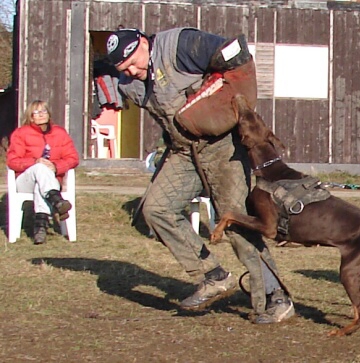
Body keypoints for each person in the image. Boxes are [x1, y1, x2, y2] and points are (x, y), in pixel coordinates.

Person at [106, 28, 295, 323]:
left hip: (222, 147)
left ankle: (276, 297)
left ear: (144, 43)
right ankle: (213, 275)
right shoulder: (130, 83)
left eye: (133, 61)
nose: (132, 70)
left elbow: (236, 54)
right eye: (123, 69)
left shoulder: (179, 45)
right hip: (183, 152)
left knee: (235, 221)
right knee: (156, 209)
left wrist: (232, 106)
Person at [7, 100, 79, 244]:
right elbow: (12, 161)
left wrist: (55, 166)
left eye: (44, 111)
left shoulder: (59, 133)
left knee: (40, 186)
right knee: (40, 168)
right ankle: (57, 201)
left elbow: (73, 158)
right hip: (25, 179)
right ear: (31, 116)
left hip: (50, 181)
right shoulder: (21, 133)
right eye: (37, 112)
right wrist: (35, 162)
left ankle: (40, 228)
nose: (41, 115)